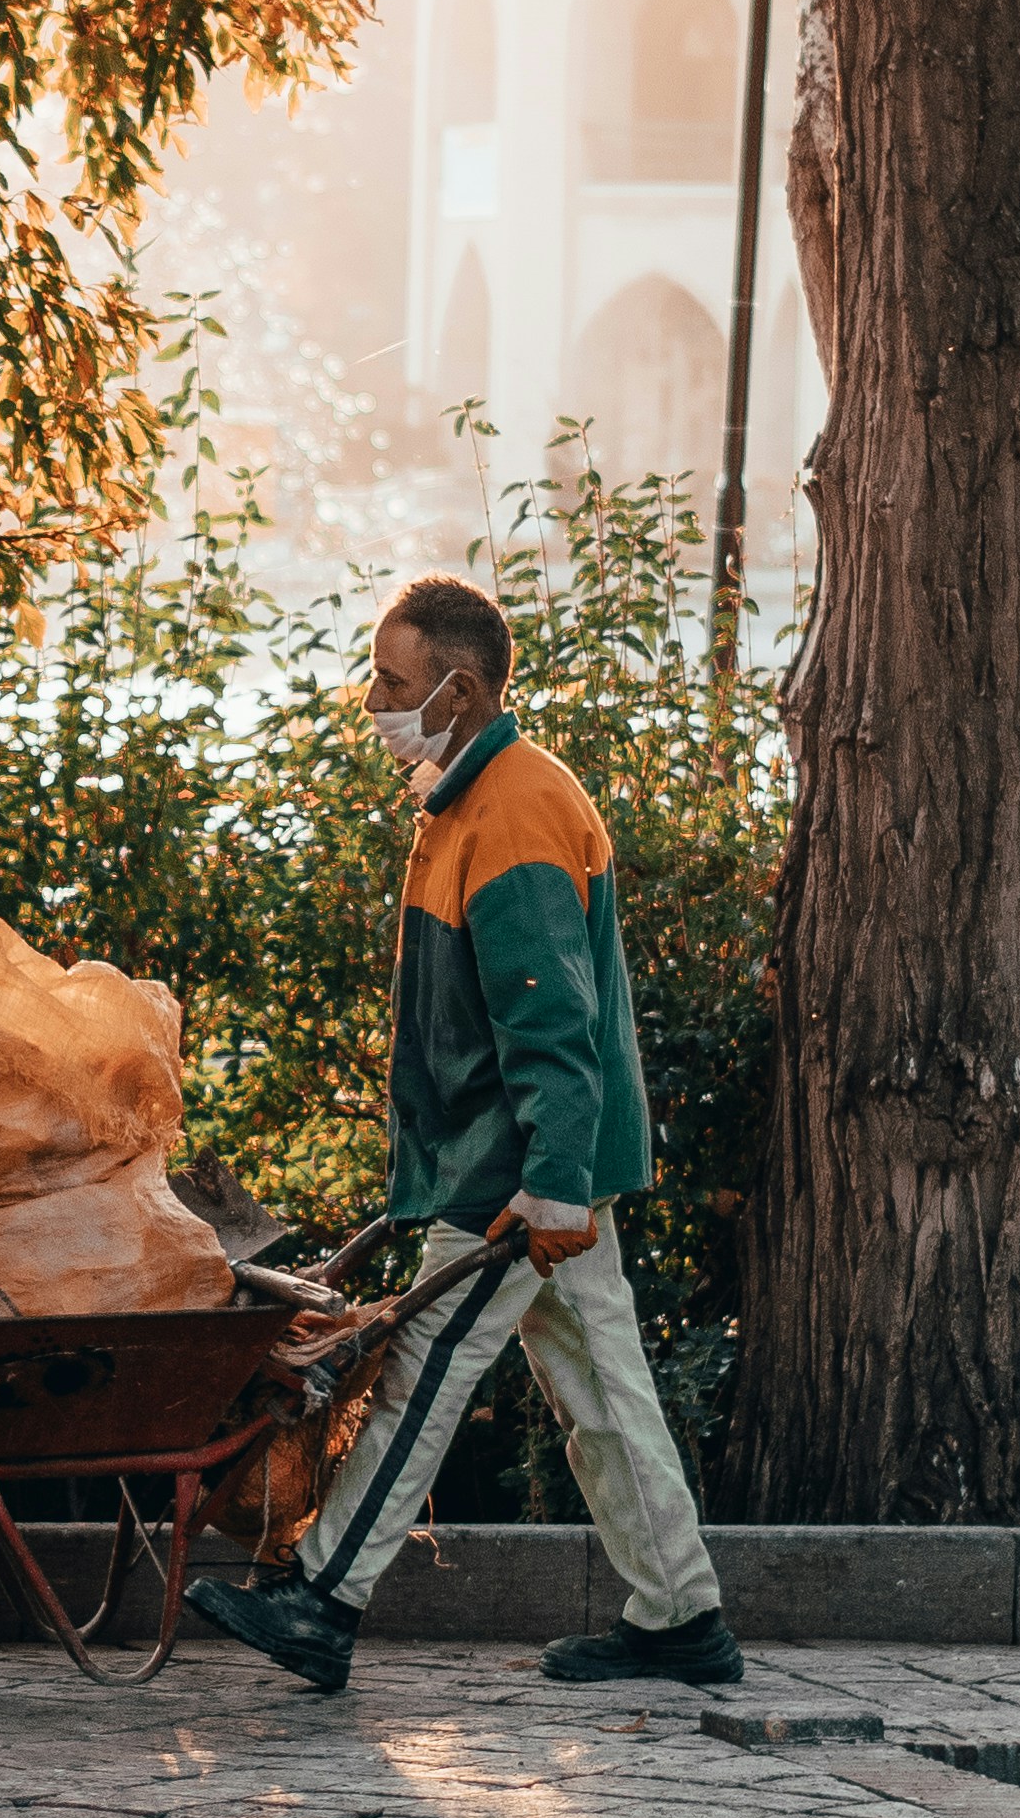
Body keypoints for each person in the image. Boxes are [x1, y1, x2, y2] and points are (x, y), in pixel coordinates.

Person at [187, 572, 742, 1701]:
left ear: (460, 686)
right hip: (527, 1164)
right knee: (604, 1392)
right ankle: (680, 1613)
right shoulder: (468, 798)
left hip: (513, 1172)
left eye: (391, 679)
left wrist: (546, 1185)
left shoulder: (514, 810)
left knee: (422, 1378)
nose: (371, 697)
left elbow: (551, 1019)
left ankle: (323, 1598)